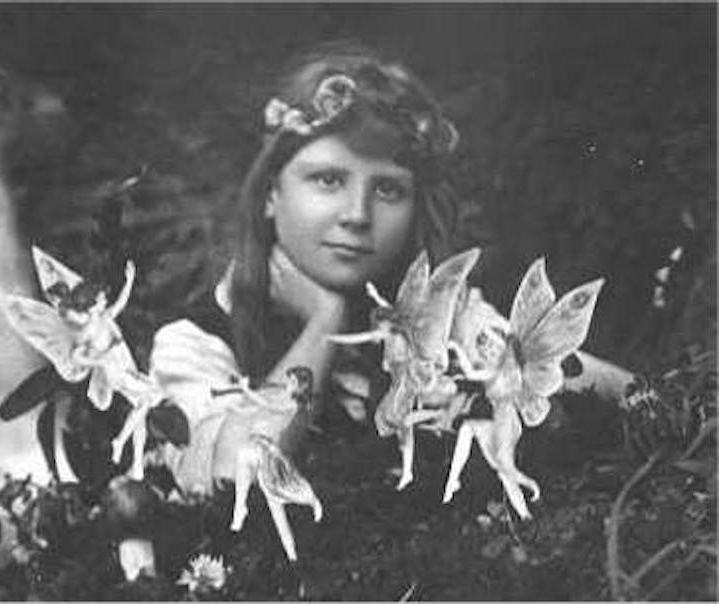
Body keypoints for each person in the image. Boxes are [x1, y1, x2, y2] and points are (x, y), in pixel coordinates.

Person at [147, 41, 632, 497]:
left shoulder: (442, 316)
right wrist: (323, 322)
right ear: (272, 193)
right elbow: (233, 477)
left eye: (388, 190)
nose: (357, 215)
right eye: (328, 179)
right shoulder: (196, 340)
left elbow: (620, 390)